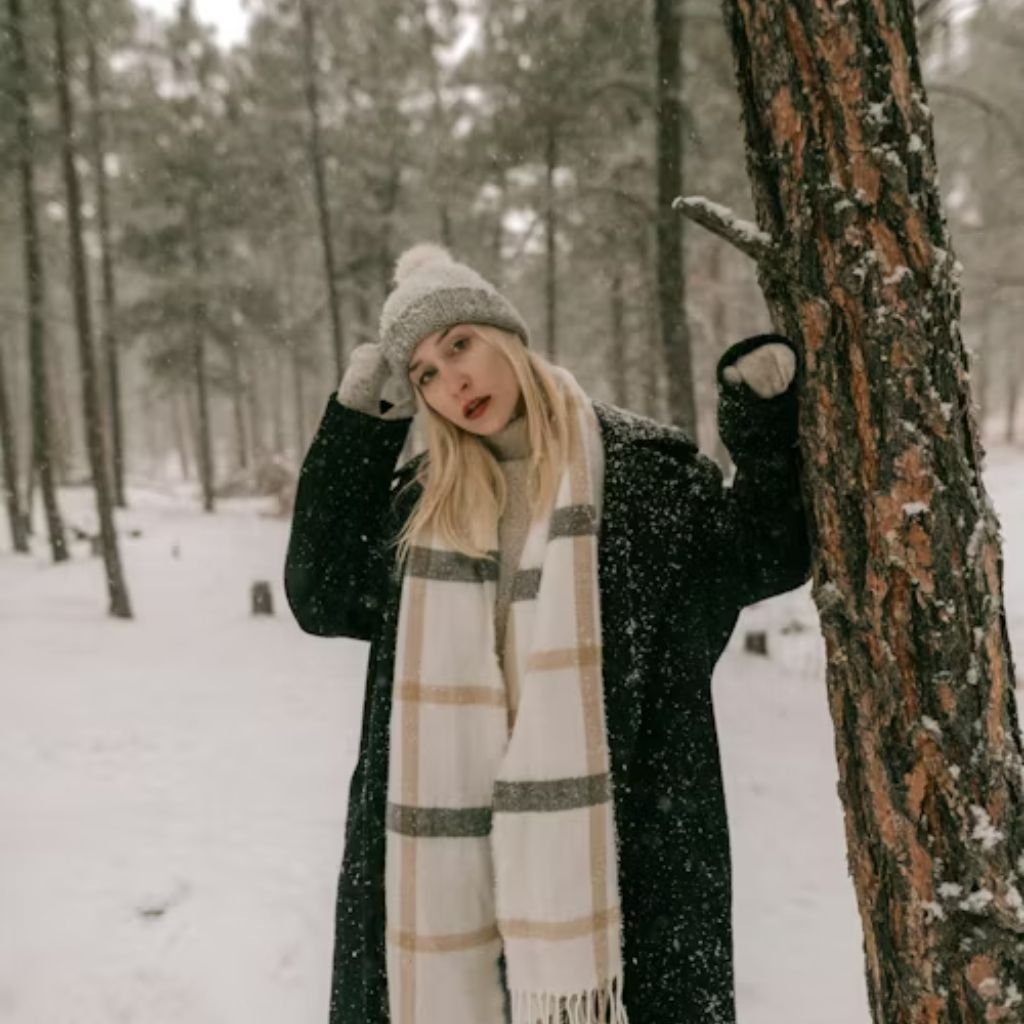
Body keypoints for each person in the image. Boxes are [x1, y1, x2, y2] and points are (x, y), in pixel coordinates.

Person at [284, 243, 810, 1024]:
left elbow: (765, 551)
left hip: (615, 863)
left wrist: (759, 421)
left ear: (508, 338)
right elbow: (320, 593)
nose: (450, 379)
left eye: (460, 344)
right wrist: (362, 424)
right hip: (448, 882)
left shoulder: (641, 478)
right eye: (424, 371)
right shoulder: (425, 512)